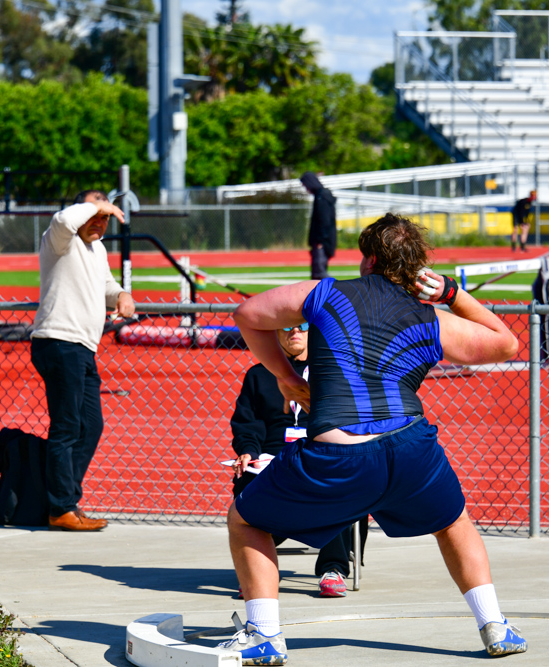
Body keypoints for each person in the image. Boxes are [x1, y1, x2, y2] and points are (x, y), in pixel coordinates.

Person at [219, 213, 527, 664]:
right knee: (453, 522)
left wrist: (286, 377)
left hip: (339, 453)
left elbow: (248, 315)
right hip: (411, 447)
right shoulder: (432, 317)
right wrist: (452, 294)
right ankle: (495, 625)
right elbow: (507, 344)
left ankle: (263, 634)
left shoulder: (325, 292)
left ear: (369, 259)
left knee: (246, 520)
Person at [30, 190, 135, 532]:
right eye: (94, 214)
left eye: (104, 217)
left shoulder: (97, 248)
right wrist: (97, 205)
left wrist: (121, 294)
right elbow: (63, 219)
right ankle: (61, 507)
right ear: (81, 210)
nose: (99, 222)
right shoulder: (59, 239)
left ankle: (64, 502)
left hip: (83, 348)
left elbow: (106, 285)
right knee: (67, 427)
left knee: (90, 425)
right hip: (59, 342)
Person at [229, 322, 356, 598]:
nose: (294, 331)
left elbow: (350, 419)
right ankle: (257, 572)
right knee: (247, 482)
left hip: (321, 450)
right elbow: (248, 423)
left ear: (314, 331)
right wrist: (248, 451)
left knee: (340, 480)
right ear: (276, 333)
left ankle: (333, 568)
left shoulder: (332, 373)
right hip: (272, 457)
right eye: (286, 327)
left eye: (302, 325)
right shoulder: (259, 374)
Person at [300, 172, 337, 280]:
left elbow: (324, 220)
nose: (306, 189)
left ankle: (337, 289)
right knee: (318, 272)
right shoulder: (322, 196)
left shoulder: (322, 197)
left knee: (319, 273)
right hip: (324, 239)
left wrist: (321, 240)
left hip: (322, 240)